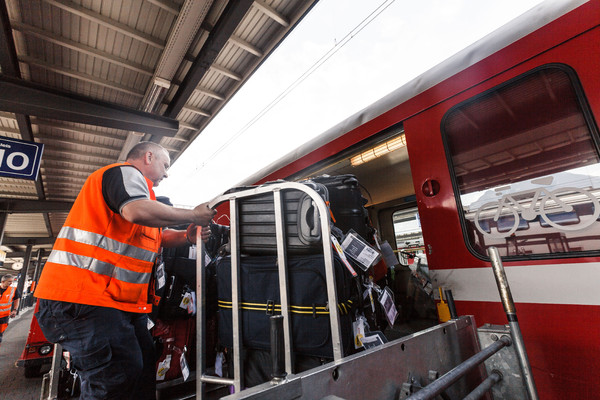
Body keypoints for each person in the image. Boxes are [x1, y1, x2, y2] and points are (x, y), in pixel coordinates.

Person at [34, 141, 216, 399]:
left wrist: (186, 236)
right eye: (165, 165)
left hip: (118, 305)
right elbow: (136, 211)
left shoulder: (143, 199)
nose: (166, 173)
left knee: (138, 374)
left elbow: (157, 237)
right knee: (116, 380)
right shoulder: (125, 173)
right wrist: (192, 215)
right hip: (85, 297)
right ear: (148, 156)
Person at [0, 274, 21, 347]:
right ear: (3, 281)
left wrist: (15, 310)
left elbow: (17, 299)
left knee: (0, 335)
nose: (11, 283)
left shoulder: (13, 290)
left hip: (4, 317)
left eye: (11, 281)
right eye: (9, 281)